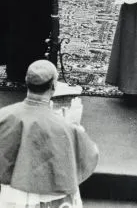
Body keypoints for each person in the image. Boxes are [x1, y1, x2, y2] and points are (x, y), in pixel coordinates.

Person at [0, 60, 99, 208]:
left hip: (13, 196)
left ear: (26, 82)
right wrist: (77, 130)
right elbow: (90, 155)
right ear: (54, 86)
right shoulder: (65, 126)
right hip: (51, 198)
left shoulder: (4, 115)